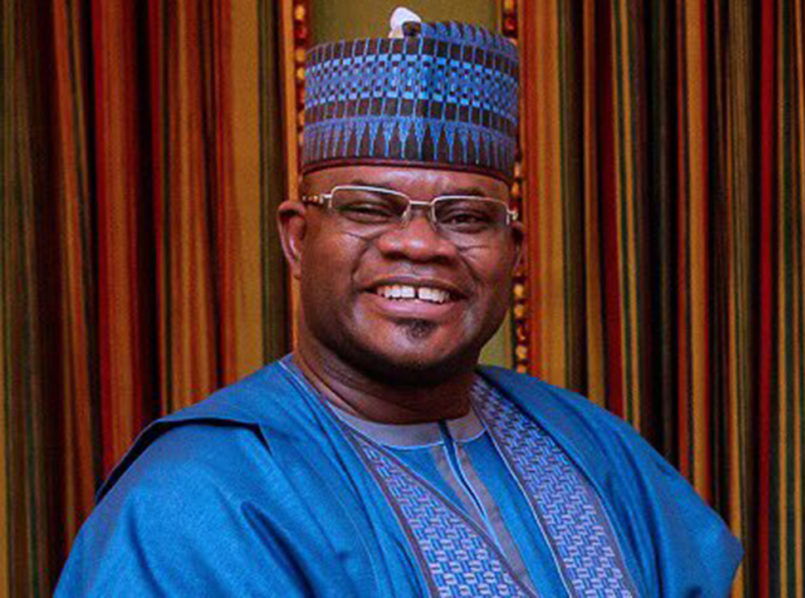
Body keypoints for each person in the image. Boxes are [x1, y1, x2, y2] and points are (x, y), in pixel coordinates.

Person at [56, 8, 741, 596]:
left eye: (465, 217)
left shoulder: (590, 446)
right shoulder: (196, 498)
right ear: (298, 239)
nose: (419, 243)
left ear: (513, 251)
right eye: (369, 208)